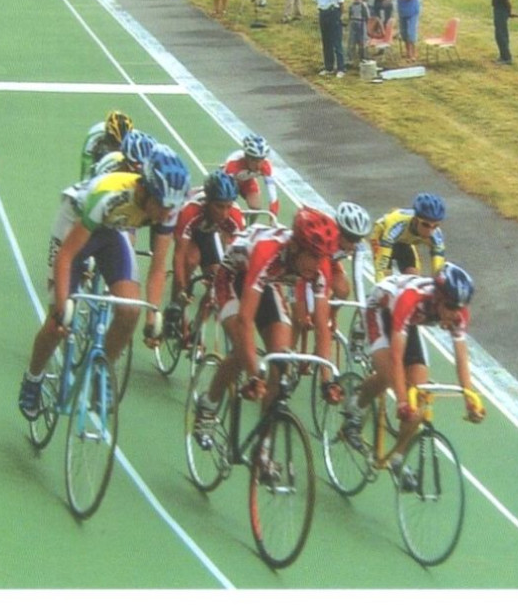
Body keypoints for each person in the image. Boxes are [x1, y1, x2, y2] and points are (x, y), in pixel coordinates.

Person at [17, 145, 188, 419]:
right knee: (56, 320)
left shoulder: (169, 208)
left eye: (173, 208)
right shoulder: (110, 194)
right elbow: (66, 257)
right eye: (163, 206)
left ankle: (101, 371)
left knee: (130, 309)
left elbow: (158, 268)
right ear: (146, 190)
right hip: (75, 222)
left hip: (112, 230)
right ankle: (33, 378)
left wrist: (152, 312)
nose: (167, 215)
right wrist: (62, 307)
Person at [190, 208, 339, 437]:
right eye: (314, 256)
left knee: (281, 363)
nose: (319, 264)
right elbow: (244, 320)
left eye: (323, 258)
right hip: (231, 278)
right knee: (242, 352)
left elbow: (322, 325)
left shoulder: (321, 265)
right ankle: (208, 405)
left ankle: (263, 449)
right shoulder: (267, 251)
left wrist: (327, 381)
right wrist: (254, 375)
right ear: (296, 247)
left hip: (267, 282)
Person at [340, 263, 486, 455]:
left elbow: (461, 357)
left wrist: (470, 398)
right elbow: (396, 357)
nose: (455, 313)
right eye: (450, 306)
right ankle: (355, 409)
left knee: (418, 393)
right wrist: (401, 401)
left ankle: (397, 457)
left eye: (460, 308)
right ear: (438, 298)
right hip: (381, 310)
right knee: (388, 375)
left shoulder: (458, 313)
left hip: (410, 321)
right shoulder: (412, 298)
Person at [164, 169, 247, 337]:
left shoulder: (235, 218)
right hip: (190, 231)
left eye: (228, 206)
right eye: (219, 206)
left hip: (210, 234)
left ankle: (196, 329)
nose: (224, 213)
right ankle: (174, 310)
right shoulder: (191, 209)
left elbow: (237, 256)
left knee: (217, 278)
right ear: (208, 202)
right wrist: (181, 288)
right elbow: (178, 255)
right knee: (191, 260)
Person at [372, 193, 447, 277]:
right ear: (415, 220)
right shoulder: (397, 227)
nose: (430, 231)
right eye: (425, 225)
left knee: (413, 276)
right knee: (387, 276)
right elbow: (380, 268)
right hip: (382, 237)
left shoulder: (436, 237)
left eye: (435, 226)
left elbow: (438, 273)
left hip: (405, 242)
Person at [221, 132, 279, 217]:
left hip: (247, 181)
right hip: (230, 182)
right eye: (254, 160)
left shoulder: (266, 166)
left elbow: (273, 197)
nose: (258, 165)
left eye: (261, 160)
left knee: (256, 208)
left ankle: (248, 227)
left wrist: (273, 217)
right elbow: (225, 191)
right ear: (246, 156)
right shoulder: (233, 163)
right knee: (227, 207)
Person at [313, 0, 347, 77]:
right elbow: (317, 0)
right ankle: (329, 67)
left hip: (334, 12)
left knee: (336, 42)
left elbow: (341, 3)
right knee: (326, 42)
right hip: (323, 13)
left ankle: (341, 68)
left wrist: (339, 16)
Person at [80, 109, 134, 181]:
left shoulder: (135, 138)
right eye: (114, 140)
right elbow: (86, 165)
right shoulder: (94, 136)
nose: (118, 144)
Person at [391, 0, 422, 64]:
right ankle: (408, 52)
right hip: (402, 9)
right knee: (404, 33)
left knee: (411, 32)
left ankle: (413, 54)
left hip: (412, 10)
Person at [490, 0, 513, 65]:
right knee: (499, 33)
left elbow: (506, 0)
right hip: (498, 9)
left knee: (501, 34)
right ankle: (503, 55)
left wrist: (509, 11)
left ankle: (506, 57)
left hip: (501, 10)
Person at [347, 0, 370, 71]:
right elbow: (350, 15)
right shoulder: (351, 5)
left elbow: (367, 16)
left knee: (362, 43)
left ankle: (363, 59)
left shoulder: (363, 5)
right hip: (353, 23)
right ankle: (352, 60)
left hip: (361, 23)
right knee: (352, 42)